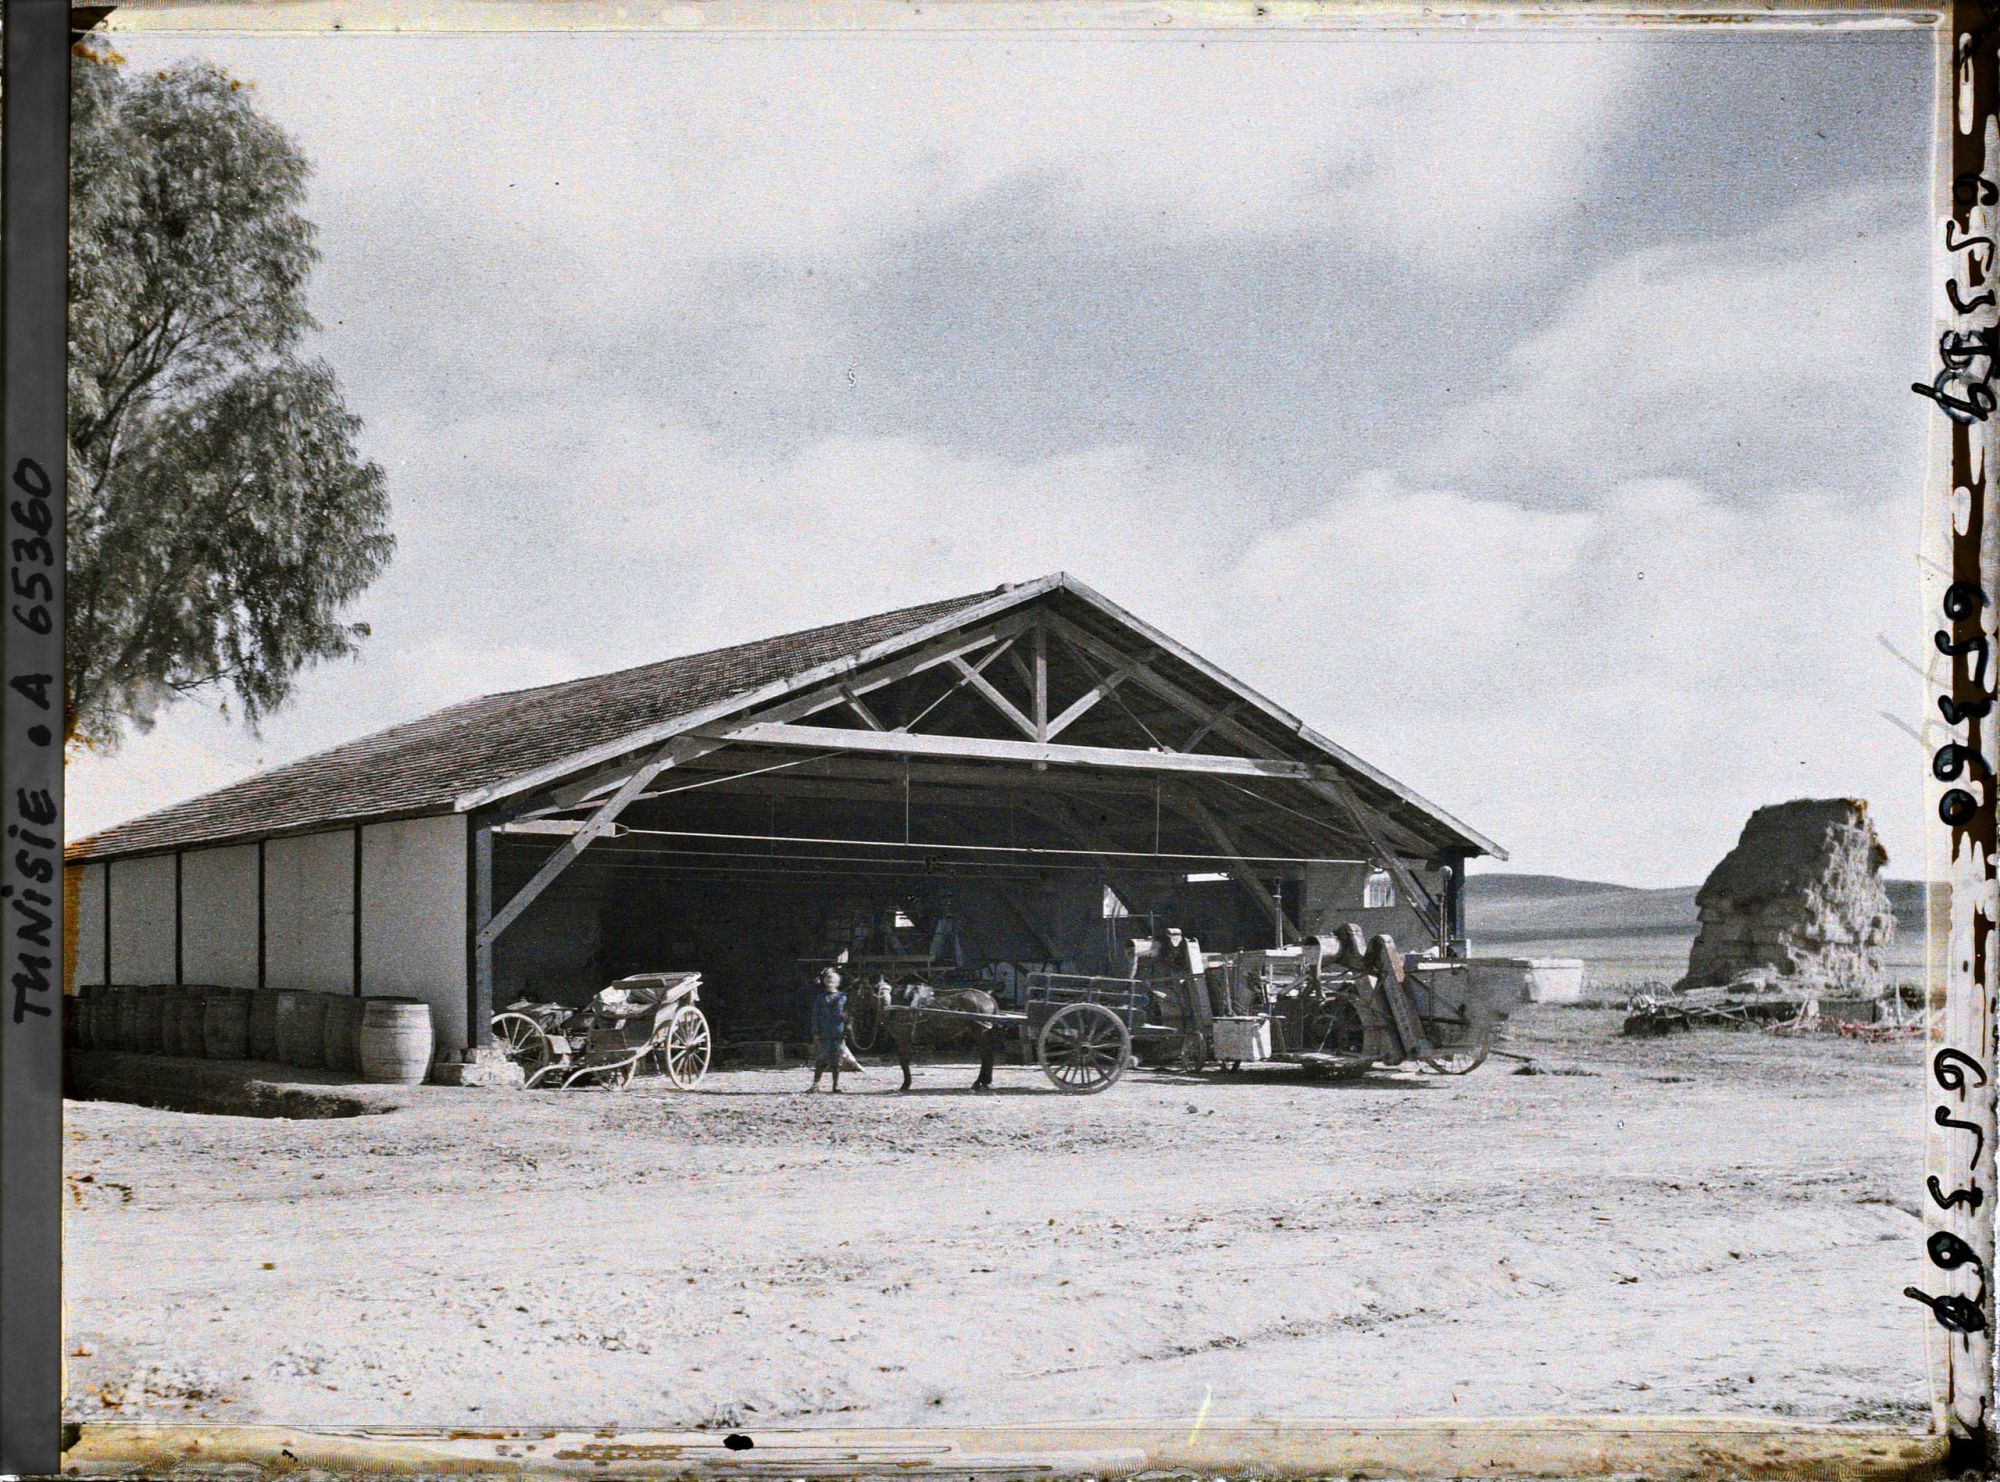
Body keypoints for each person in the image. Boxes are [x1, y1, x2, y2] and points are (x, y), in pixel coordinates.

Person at [807, 966, 849, 1093]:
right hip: (824, 1032)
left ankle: (835, 1086)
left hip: (838, 1032)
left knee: (837, 1061)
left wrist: (847, 1026)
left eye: (833, 981)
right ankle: (815, 1085)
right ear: (825, 982)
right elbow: (815, 1015)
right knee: (821, 1059)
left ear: (837, 983)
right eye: (828, 980)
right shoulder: (820, 997)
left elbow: (848, 1014)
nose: (830, 983)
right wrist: (815, 1032)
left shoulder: (843, 997)